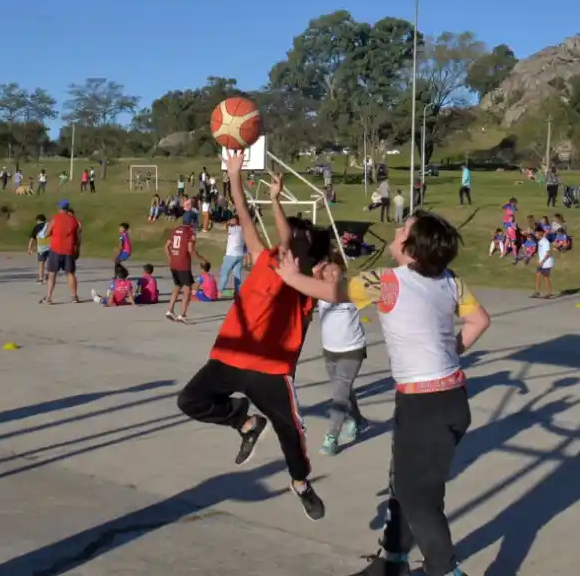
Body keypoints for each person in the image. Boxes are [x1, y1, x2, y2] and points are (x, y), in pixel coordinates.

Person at [275, 210, 491, 576]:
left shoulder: (387, 281)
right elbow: (479, 320)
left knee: (415, 495)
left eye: (403, 228)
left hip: (424, 405)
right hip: (450, 399)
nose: (396, 229)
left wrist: (291, 277)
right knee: (411, 485)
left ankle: (445, 570)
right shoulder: (450, 280)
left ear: (412, 246)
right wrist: (447, 354)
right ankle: (393, 560)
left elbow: (334, 292)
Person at [176, 154, 334, 521]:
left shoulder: (306, 283)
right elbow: (245, 216)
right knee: (190, 400)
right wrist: (234, 177)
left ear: (306, 248)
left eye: (300, 237)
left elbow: (287, 238)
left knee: (291, 434)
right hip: (230, 356)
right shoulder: (264, 258)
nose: (292, 239)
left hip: (270, 369)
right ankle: (245, 422)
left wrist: (277, 201)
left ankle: (301, 484)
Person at [317, 252, 369, 456]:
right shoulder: (319, 289)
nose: (330, 273)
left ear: (342, 269)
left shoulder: (351, 287)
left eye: (334, 269)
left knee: (339, 394)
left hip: (352, 349)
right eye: (325, 270)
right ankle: (358, 420)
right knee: (344, 390)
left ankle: (331, 437)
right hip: (330, 350)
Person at [164, 215, 204, 322]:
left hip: (174, 262)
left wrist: (170, 258)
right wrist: (202, 259)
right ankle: (182, 315)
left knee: (177, 286)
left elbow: (166, 246)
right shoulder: (189, 232)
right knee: (187, 289)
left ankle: (170, 310)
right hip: (183, 263)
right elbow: (191, 250)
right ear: (191, 221)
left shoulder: (175, 230)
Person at [43, 200, 82, 304]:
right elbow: (78, 237)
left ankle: (49, 297)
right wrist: (77, 249)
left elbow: (47, 233)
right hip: (69, 250)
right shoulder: (74, 220)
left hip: (56, 249)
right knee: (70, 273)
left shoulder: (55, 219)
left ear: (59, 208)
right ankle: (74, 296)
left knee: (52, 273)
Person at [218, 215, 248, 296]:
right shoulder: (243, 229)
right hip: (240, 255)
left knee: (224, 273)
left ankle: (220, 291)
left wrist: (228, 222)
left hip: (231, 255)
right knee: (237, 274)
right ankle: (237, 292)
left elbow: (224, 227)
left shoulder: (233, 229)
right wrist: (246, 256)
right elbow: (245, 245)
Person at [27, 214, 51, 284]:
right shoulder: (49, 225)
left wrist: (29, 248)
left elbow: (32, 238)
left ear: (38, 220)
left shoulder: (37, 227)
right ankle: (48, 274)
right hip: (51, 246)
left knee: (41, 262)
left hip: (41, 247)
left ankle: (40, 278)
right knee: (50, 262)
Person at [532, 224, 555, 299]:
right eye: (535, 233)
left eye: (537, 233)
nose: (536, 235)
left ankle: (549, 293)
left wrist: (542, 261)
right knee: (538, 275)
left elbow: (548, 253)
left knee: (546, 277)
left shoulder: (545, 242)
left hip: (546, 263)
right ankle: (537, 292)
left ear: (541, 233)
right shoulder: (540, 242)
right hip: (541, 262)